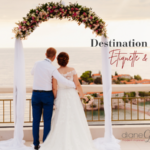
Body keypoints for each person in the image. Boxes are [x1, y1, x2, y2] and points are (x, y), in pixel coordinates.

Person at [40, 52, 97, 150]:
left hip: (61, 96)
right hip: (72, 96)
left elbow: (54, 88)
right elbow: (78, 84)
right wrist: (83, 96)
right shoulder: (72, 70)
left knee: (61, 117)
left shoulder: (55, 71)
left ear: (58, 61)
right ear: (67, 60)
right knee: (75, 117)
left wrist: (55, 99)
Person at [31, 48, 77, 150]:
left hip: (35, 95)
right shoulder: (52, 69)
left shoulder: (37, 63)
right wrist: (74, 84)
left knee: (36, 121)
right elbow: (62, 80)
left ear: (45, 54)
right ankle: (46, 144)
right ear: (54, 57)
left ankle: (36, 144)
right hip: (47, 95)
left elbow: (32, 73)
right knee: (47, 121)